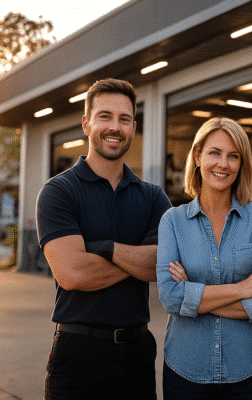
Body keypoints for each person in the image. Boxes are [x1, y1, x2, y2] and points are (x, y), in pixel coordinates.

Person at [36, 78, 172, 400]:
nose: (115, 127)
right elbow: (72, 273)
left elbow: (166, 264)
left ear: (133, 128)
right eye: (105, 116)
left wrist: (103, 248)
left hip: (138, 354)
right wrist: (140, 256)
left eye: (124, 119)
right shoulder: (58, 192)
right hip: (77, 354)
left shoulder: (152, 197)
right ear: (86, 123)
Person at [157, 117, 252, 400]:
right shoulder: (173, 221)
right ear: (198, 156)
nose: (223, 164)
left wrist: (195, 298)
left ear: (242, 164)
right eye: (214, 153)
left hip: (250, 370)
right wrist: (243, 288)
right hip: (185, 370)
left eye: (233, 156)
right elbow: (170, 297)